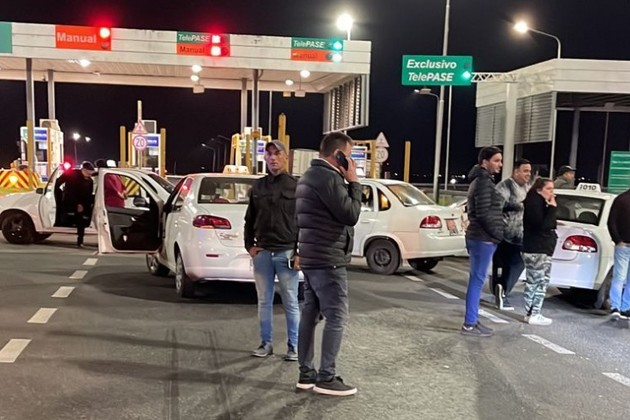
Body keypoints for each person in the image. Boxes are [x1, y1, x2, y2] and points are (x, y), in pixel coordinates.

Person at [294, 132, 361, 397]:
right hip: (328, 259)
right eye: (349, 156)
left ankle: (306, 374)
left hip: (312, 256)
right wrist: (354, 182)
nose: (351, 162)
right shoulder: (329, 178)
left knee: (310, 314)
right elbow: (350, 214)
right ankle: (326, 377)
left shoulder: (308, 176)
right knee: (337, 316)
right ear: (338, 155)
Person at [244, 140, 301, 361]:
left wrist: (300, 252)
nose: (273, 158)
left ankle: (294, 347)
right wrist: (249, 246)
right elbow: (250, 219)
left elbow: (304, 222)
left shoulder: (297, 187)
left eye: (277, 153)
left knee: (291, 302)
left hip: (287, 253)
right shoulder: (258, 187)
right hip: (263, 253)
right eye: (268, 154)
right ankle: (265, 344)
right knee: (264, 301)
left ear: (286, 157)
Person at [461, 146, 505, 337]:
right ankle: (470, 324)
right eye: (496, 160)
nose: (500, 164)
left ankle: (472, 320)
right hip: (482, 238)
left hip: (480, 237)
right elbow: (484, 213)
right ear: (485, 162)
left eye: (500, 160)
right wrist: (497, 235)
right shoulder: (483, 182)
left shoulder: (481, 180)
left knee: (476, 279)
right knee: (477, 280)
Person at [491, 158, 532, 310]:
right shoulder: (504, 187)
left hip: (521, 236)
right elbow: (495, 210)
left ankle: (501, 290)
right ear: (516, 171)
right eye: (525, 171)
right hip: (505, 235)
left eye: (529, 171)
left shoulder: (527, 188)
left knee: (516, 264)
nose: (528, 174)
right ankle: (501, 291)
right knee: (504, 265)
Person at [522, 177, 558, 326]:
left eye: (553, 189)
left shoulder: (538, 203)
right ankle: (533, 313)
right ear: (539, 190)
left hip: (541, 249)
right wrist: (552, 208)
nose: (552, 193)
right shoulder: (535, 204)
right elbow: (543, 226)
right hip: (537, 249)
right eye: (548, 189)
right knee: (536, 282)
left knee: (541, 281)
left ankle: (533, 312)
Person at [55, 161, 95, 247]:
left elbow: (88, 194)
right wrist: (59, 194)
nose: (89, 175)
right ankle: (79, 241)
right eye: (88, 173)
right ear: (84, 170)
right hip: (71, 202)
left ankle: (80, 241)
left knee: (82, 221)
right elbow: (59, 183)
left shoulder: (89, 181)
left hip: (83, 204)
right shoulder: (72, 175)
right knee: (79, 221)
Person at [607, 185, 630, 320]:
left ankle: (624, 307)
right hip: (623, 245)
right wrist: (618, 240)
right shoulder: (622, 199)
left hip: (623, 244)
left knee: (621, 277)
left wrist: (618, 240)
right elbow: (611, 222)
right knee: (620, 277)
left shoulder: (620, 199)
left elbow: (611, 221)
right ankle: (617, 306)